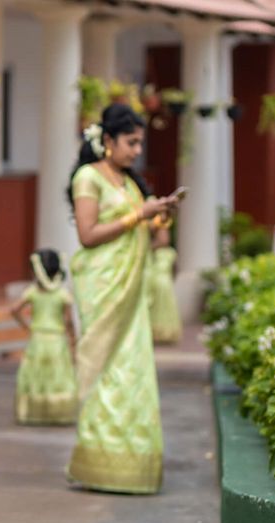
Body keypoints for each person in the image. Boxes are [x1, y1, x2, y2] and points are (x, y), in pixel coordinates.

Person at [66, 103, 179, 494]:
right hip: (103, 288)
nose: (136, 150)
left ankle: (133, 464)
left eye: (139, 143)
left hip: (130, 290)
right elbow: (88, 234)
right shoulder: (88, 177)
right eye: (130, 142)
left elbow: (146, 236)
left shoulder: (129, 182)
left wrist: (159, 214)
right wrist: (138, 216)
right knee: (108, 371)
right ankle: (100, 462)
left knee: (133, 373)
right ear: (108, 140)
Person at [10, 248, 77, 425]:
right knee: (57, 377)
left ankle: (33, 413)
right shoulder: (63, 294)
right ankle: (57, 414)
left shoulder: (32, 291)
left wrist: (27, 326)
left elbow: (14, 310)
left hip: (38, 338)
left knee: (36, 377)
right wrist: (74, 341)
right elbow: (69, 321)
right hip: (57, 340)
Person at [147, 240, 182, 345]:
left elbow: (175, 268)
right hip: (157, 280)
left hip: (164, 281)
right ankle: (156, 334)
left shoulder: (169, 252)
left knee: (164, 309)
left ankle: (164, 334)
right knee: (158, 309)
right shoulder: (153, 250)